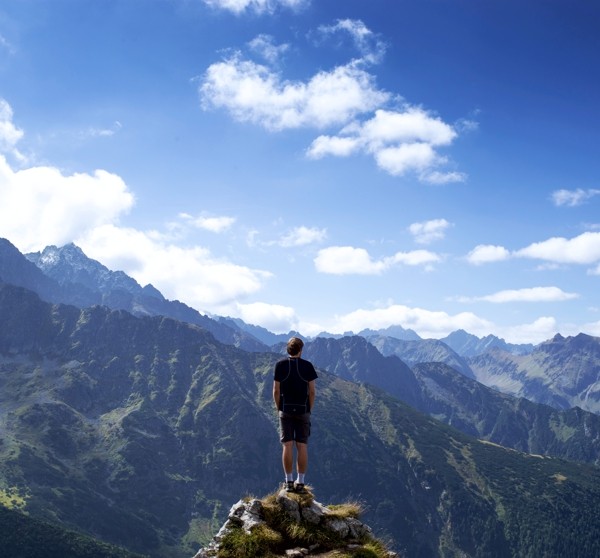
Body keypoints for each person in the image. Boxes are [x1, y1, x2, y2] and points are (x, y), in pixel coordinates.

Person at [273, 336, 317, 494]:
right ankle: (301, 482)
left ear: (288, 349)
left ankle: (288, 480)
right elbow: (312, 391)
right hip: (303, 410)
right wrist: (308, 408)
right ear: (301, 350)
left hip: (285, 409)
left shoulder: (280, 365)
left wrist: (279, 408)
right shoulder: (308, 366)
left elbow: (276, 391)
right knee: (302, 445)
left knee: (287, 445)